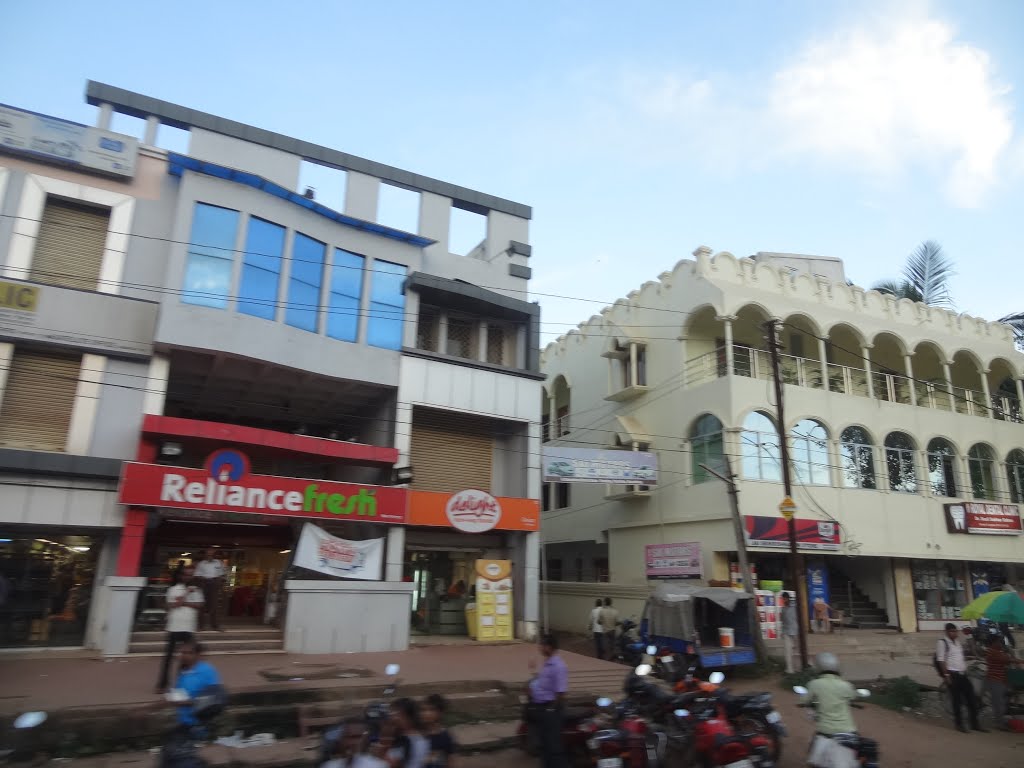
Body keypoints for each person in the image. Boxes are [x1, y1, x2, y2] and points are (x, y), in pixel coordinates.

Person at [157, 565, 204, 694]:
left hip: (189, 627)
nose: (189, 577)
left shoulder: (197, 590)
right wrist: (186, 594)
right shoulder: (173, 589)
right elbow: (173, 605)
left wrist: (184, 602)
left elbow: (199, 605)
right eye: (187, 574)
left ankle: (180, 684)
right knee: (168, 658)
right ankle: (162, 684)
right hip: (174, 627)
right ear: (182, 576)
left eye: (191, 574)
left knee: (187, 659)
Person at [528, 633, 568, 768]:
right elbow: (542, 683)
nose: (540, 648)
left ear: (549, 647)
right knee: (544, 744)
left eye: (542, 645)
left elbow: (561, 692)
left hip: (551, 710)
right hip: (542, 708)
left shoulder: (558, 666)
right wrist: (533, 672)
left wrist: (551, 709)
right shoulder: (547, 663)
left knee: (553, 746)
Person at [936, 622, 986, 733]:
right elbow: (941, 660)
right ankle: (959, 724)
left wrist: (969, 657)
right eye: (951, 631)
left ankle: (974, 724)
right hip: (952, 674)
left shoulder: (957, 643)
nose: (954, 633)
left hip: (963, 674)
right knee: (957, 701)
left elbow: (958, 656)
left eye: (955, 631)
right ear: (947, 632)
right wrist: (946, 675)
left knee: (971, 698)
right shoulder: (943, 643)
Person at [800, 652, 858, 736]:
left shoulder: (814, 684)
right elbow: (853, 696)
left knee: (815, 748)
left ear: (818, 667)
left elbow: (804, 700)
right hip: (849, 731)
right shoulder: (846, 685)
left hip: (826, 731)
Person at [172, 639, 222, 729]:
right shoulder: (184, 671)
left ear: (198, 655)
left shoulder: (206, 671)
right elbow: (177, 694)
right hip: (184, 722)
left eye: (189, 653)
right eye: (182, 653)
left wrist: (184, 702)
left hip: (200, 725)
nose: (184, 656)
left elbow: (212, 698)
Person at [984, 634, 1020, 730]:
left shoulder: (997, 651)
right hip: (995, 680)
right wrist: (1020, 661)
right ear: (993, 643)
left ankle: (1001, 721)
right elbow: (1007, 660)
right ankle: (999, 724)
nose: (1001, 643)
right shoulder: (992, 652)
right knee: (998, 704)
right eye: (999, 641)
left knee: (1002, 702)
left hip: (1000, 680)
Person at [322, 719, 388, 768]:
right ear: (340, 739)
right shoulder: (329, 766)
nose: (352, 742)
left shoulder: (378, 765)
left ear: (365, 739)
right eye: (347, 737)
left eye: (357, 737)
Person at [387, 697, 428, 768]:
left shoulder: (416, 741)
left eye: (397, 715)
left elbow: (392, 763)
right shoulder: (396, 737)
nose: (393, 718)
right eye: (392, 715)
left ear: (409, 717)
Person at [421, 694, 458, 768]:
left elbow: (450, 761)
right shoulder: (419, 734)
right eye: (424, 710)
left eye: (431, 710)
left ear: (440, 712)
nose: (427, 713)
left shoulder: (445, 736)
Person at [194, 549, 226, 631]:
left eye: (212, 555)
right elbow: (197, 575)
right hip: (204, 583)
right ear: (205, 555)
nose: (210, 556)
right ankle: (200, 626)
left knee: (214, 605)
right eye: (208, 555)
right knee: (202, 605)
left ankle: (215, 625)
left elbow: (222, 575)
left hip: (215, 583)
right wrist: (204, 580)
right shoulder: (201, 564)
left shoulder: (219, 563)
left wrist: (219, 582)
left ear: (214, 555)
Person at [780, 593, 798, 674]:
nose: (783, 600)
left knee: (797, 650)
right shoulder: (783, 609)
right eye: (782, 599)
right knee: (787, 651)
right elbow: (783, 621)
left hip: (796, 632)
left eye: (784, 599)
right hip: (786, 632)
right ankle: (789, 670)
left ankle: (801, 668)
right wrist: (782, 632)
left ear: (787, 598)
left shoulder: (795, 607)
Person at [998, 580, 1017, 649]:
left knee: (1004, 630)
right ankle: (1007, 645)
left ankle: (1012, 644)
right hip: (1001, 615)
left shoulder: (1007, 589)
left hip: (1004, 614)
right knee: (1003, 630)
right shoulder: (1005, 590)